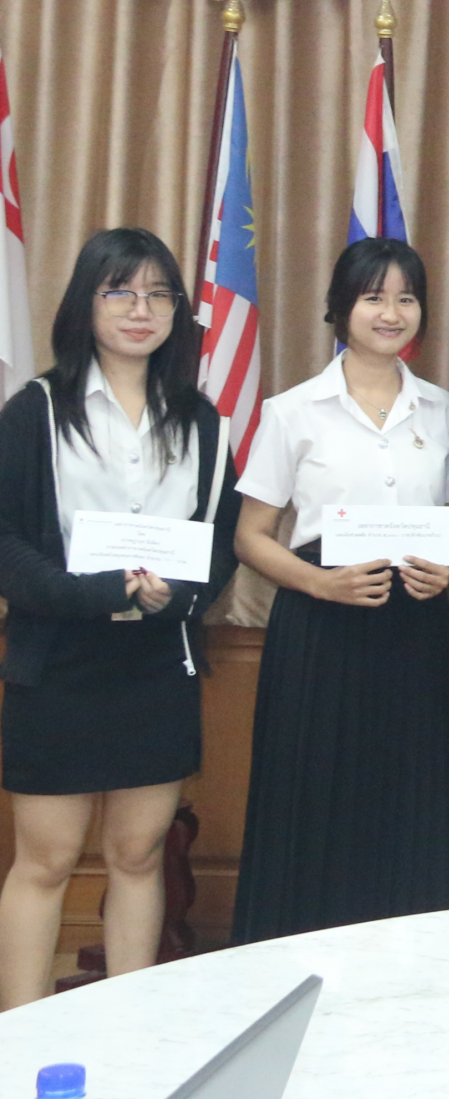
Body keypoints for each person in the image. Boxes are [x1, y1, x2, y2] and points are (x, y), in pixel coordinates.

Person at [0, 229, 239, 1009]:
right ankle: (19, 1034)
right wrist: (96, 592)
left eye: (159, 294)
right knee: (46, 859)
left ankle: (126, 1031)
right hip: (58, 660)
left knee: (139, 853)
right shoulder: (36, 409)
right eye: (121, 292)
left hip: (156, 663)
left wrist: (182, 595)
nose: (142, 309)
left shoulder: (201, 420)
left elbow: (221, 541)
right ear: (85, 302)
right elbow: (8, 542)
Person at [230, 238, 449, 939]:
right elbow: (250, 536)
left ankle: (412, 964)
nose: (391, 312)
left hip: (415, 630)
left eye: (406, 298)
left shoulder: (443, 411)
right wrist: (319, 583)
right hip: (321, 628)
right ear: (340, 307)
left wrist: (447, 568)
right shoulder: (293, 410)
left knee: (412, 797)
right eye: (374, 297)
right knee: (315, 795)